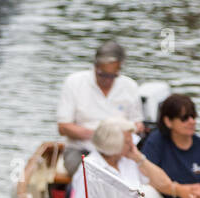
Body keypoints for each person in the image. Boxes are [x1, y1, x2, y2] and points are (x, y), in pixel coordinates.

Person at [66, 118, 172, 198]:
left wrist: (139, 157)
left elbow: (164, 183)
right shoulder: (89, 168)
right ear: (113, 144)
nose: (133, 144)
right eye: (128, 141)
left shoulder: (130, 160)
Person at [56, 40, 145, 176]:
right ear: (95, 66)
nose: (107, 80)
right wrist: (101, 136)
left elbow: (138, 124)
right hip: (81, 150)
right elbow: (63, 127)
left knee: (138, 173)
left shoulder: (130, 86)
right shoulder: (74, 82)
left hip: (120, 153)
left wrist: (132, 131)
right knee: (93, 175)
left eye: (113, 75)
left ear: (119, 68)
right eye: (102, 74)